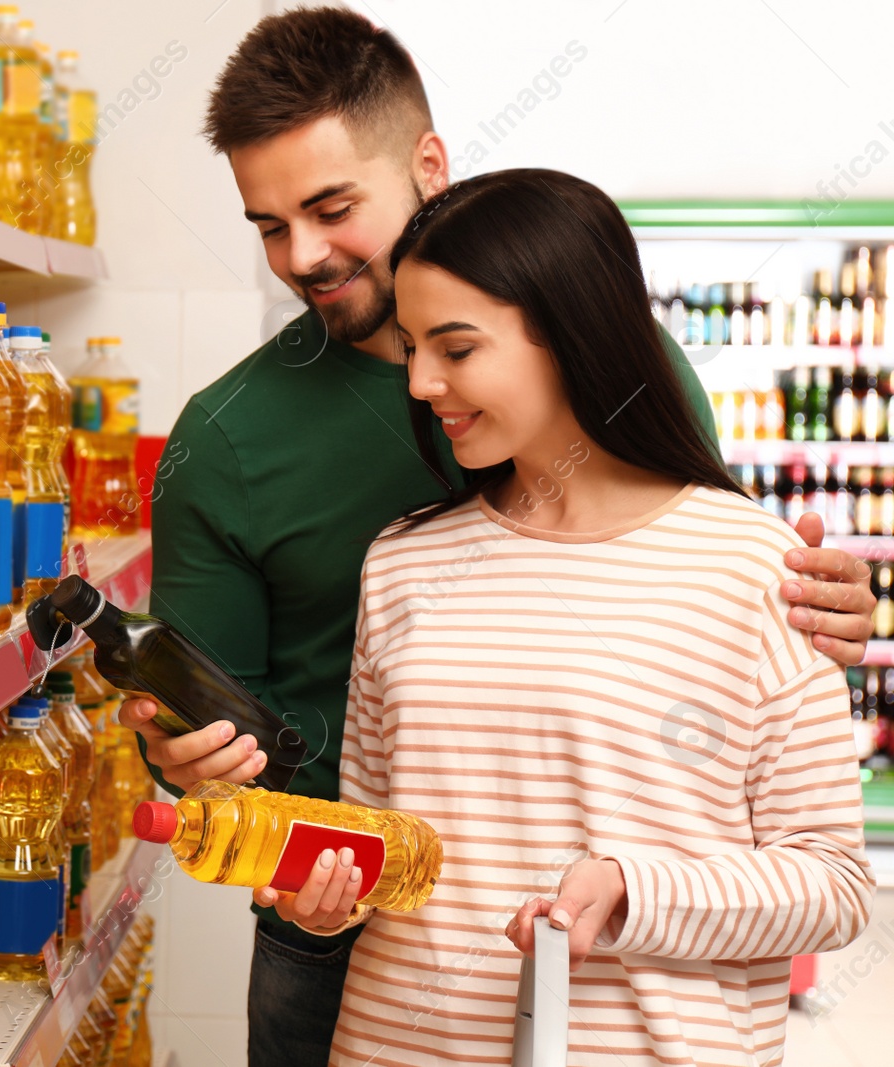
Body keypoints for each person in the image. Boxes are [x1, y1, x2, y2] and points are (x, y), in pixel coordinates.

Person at [117, 9, 876, 1067]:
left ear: (427, 163)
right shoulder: (233, 440)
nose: (301, 254)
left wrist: (819, 602)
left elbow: (699, 579)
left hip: (635, 977)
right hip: (352, 929)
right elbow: (209, 739)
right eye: (265, 224)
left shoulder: (644, 388)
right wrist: (182, 757)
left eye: (332, 208)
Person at [275, 166, 873, 1066]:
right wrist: (329, 892)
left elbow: (834, 885)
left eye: (458, 347)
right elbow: (380, 842)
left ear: (570, 334)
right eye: (410, 348)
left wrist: (631, 891)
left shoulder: (755, 567)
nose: (423, 382)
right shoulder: (401, 564)